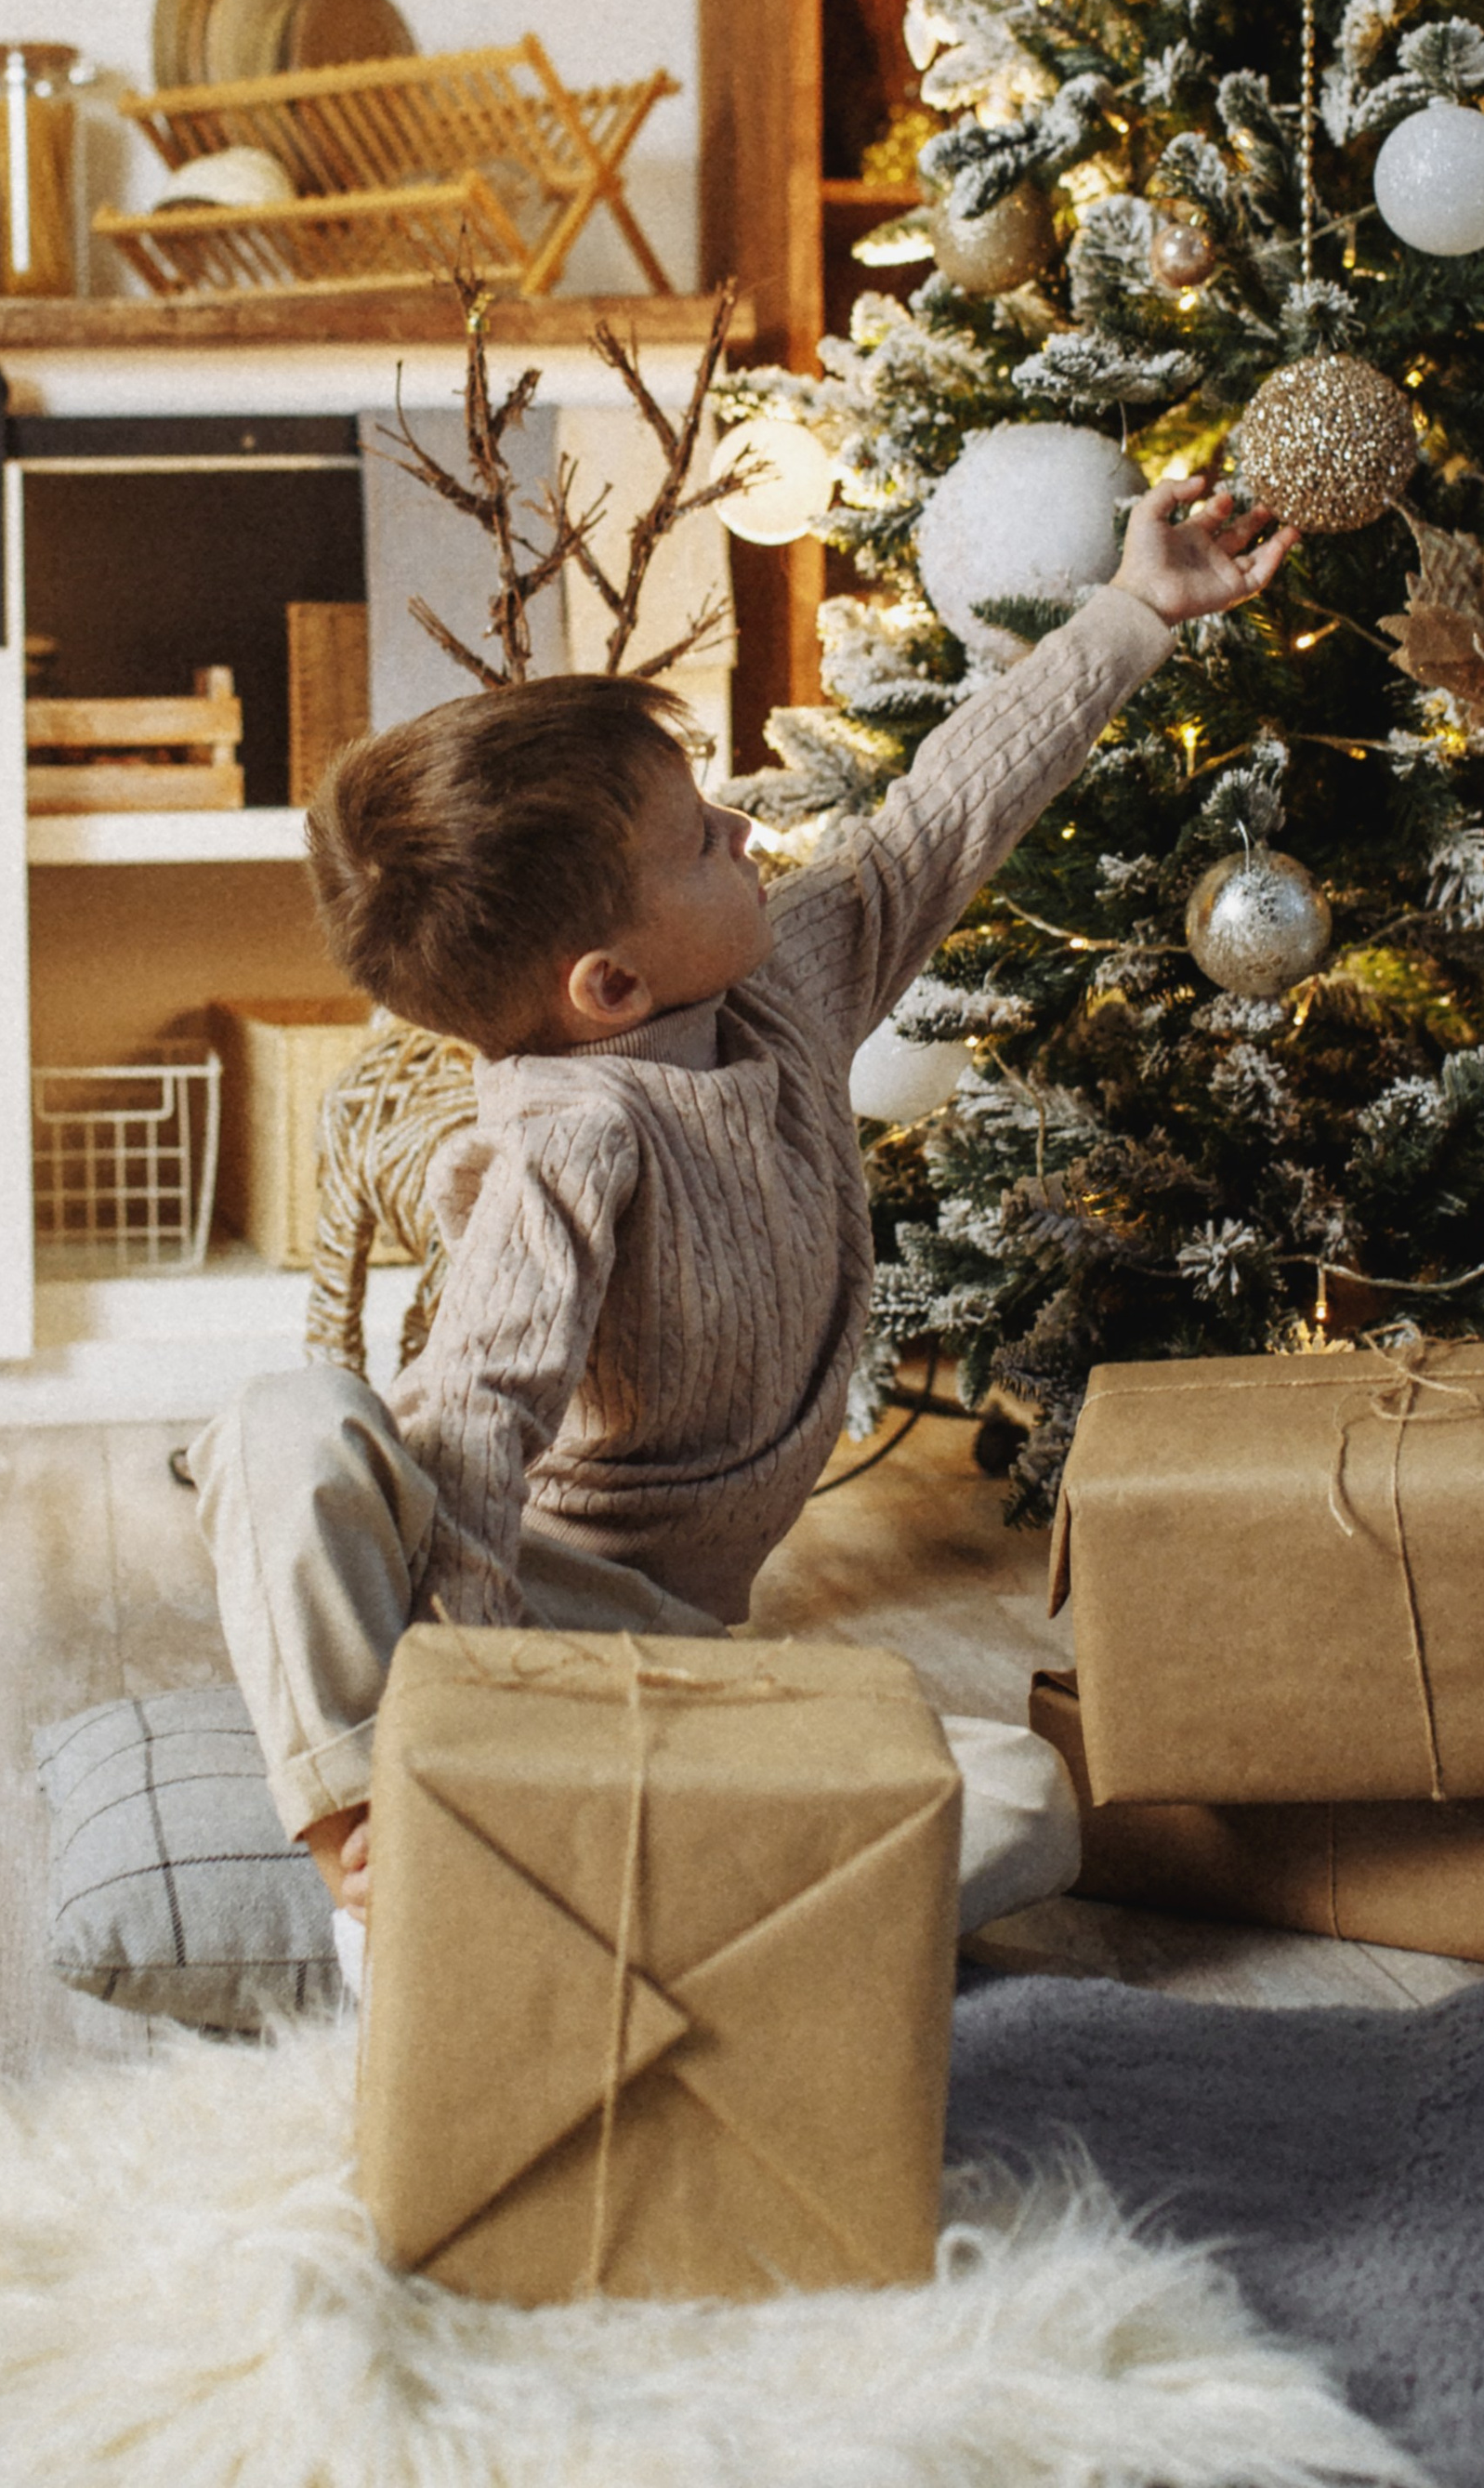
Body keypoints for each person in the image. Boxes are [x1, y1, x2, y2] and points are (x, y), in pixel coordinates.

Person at [188, 472, 1296, 1959]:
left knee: (1023, 1800)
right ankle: (377, 1851)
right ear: (609, 985)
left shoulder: (779, 993)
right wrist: (478, 1717)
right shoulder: (569, 1138)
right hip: (503, 1616)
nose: (743, 830)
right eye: (699, 842)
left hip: (680, 1657)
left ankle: (623, 1896)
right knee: (290, 1423)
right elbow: (472, 1429)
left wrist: (1133, 609)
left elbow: (937, 822)